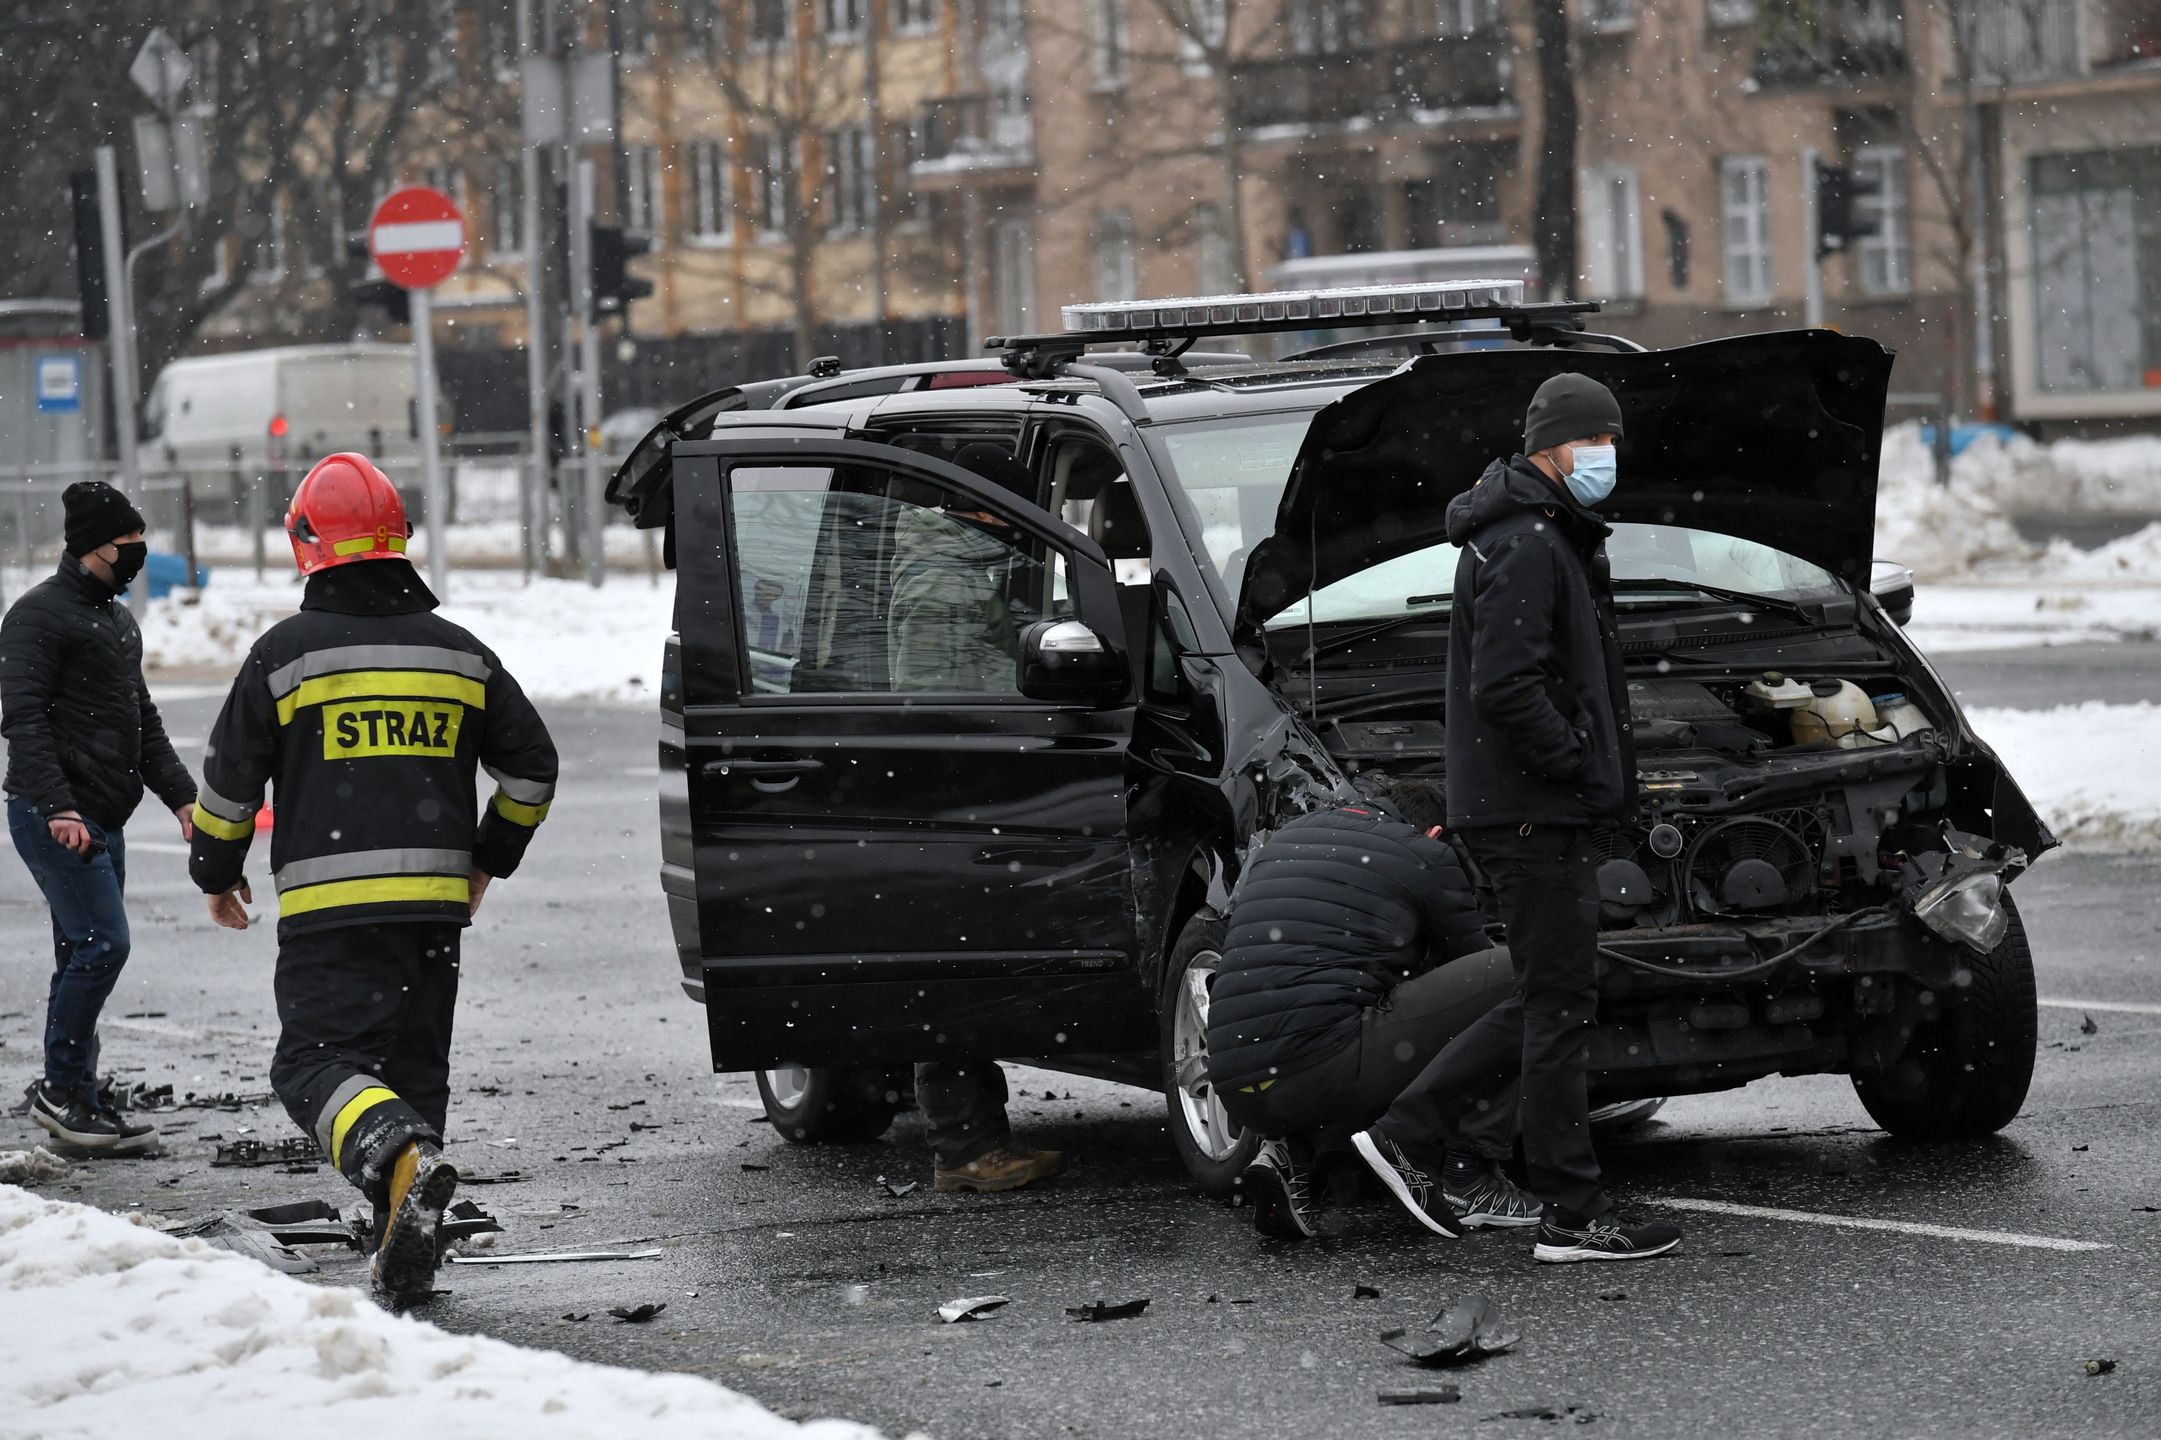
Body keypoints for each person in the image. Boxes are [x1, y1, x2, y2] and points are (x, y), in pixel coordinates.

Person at [190, 453, 558, 1299]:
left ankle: (401, 1161)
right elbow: (533, 769)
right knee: (413, 1070)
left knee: (314, 1062)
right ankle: (405, 1233)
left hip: (330, 912)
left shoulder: (282, 656)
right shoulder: (460, 655)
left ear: (306, 545)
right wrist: (486, 859)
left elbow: (227, 784)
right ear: (400, 540)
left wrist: (216, 868)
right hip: (432, 909)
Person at [1360, 374, 1681, 1264]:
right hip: (1531, 811)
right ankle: (1569, 1215)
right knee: (1559, 1005)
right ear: (1553, 447)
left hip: (1534, 808)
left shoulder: (1543, 534)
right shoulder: (1527, 541)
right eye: (1595, 442)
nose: (1606, 457)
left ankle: (1414, 1130)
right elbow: (1507, 686)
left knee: (1552, 996)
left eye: (1612, 440)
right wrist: (1575, 764)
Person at [1207, 777, 1527, 1240]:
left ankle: (1287, 1153)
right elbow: (1471, 970)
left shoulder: (1286, 840)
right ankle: (1468, 1178)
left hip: (1236, 1085)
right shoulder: (1426, 853)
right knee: (1522, 975)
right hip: (1324, 1068)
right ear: (1436, 833)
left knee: (1317, 1011)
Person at [887, 450, 1063, 1194]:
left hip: (961, 802)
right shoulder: (942, 581)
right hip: (948, 804)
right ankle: (964, 1151)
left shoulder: (960, 569)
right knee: (949, 979)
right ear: (989, 508)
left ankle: (969, 1145)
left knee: (957, 974)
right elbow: (941, 696)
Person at [3, 481, 196, 1154]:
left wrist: (182, 798)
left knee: (78, 949)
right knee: (102, 945)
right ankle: (62, 1091)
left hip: (104, 815)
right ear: (94, 547)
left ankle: (76, 1095)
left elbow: (142, 722)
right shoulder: (36, 618)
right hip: (53, 813)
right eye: (130, 543)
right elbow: (21, 722)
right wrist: (58, 805)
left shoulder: (115, 620)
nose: (140, 553)